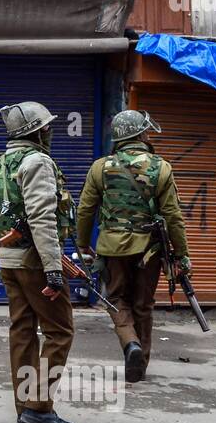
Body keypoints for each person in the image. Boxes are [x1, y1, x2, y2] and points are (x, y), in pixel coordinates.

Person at [75, 109, 191, 384]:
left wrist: (82, 245)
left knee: (116, 300)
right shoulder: (161, 167)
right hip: (149, 249)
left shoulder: (100, 167)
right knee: (143, 304)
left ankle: (130, 345)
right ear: (140, 133)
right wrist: (182, 254)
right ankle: (141, 364)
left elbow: (85, 210)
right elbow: (174, 216)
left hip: (111, 249)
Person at [0, 101, 77, 423]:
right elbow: (42, 216)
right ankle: (39, 406)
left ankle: (25, 407)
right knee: (59, 330)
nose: (50, 131)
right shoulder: (37, 161)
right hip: (36, 262)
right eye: (47, 127)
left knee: (22, 331)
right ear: (37, 131)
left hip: (10, 261)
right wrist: (53, 268)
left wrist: (2, 257)